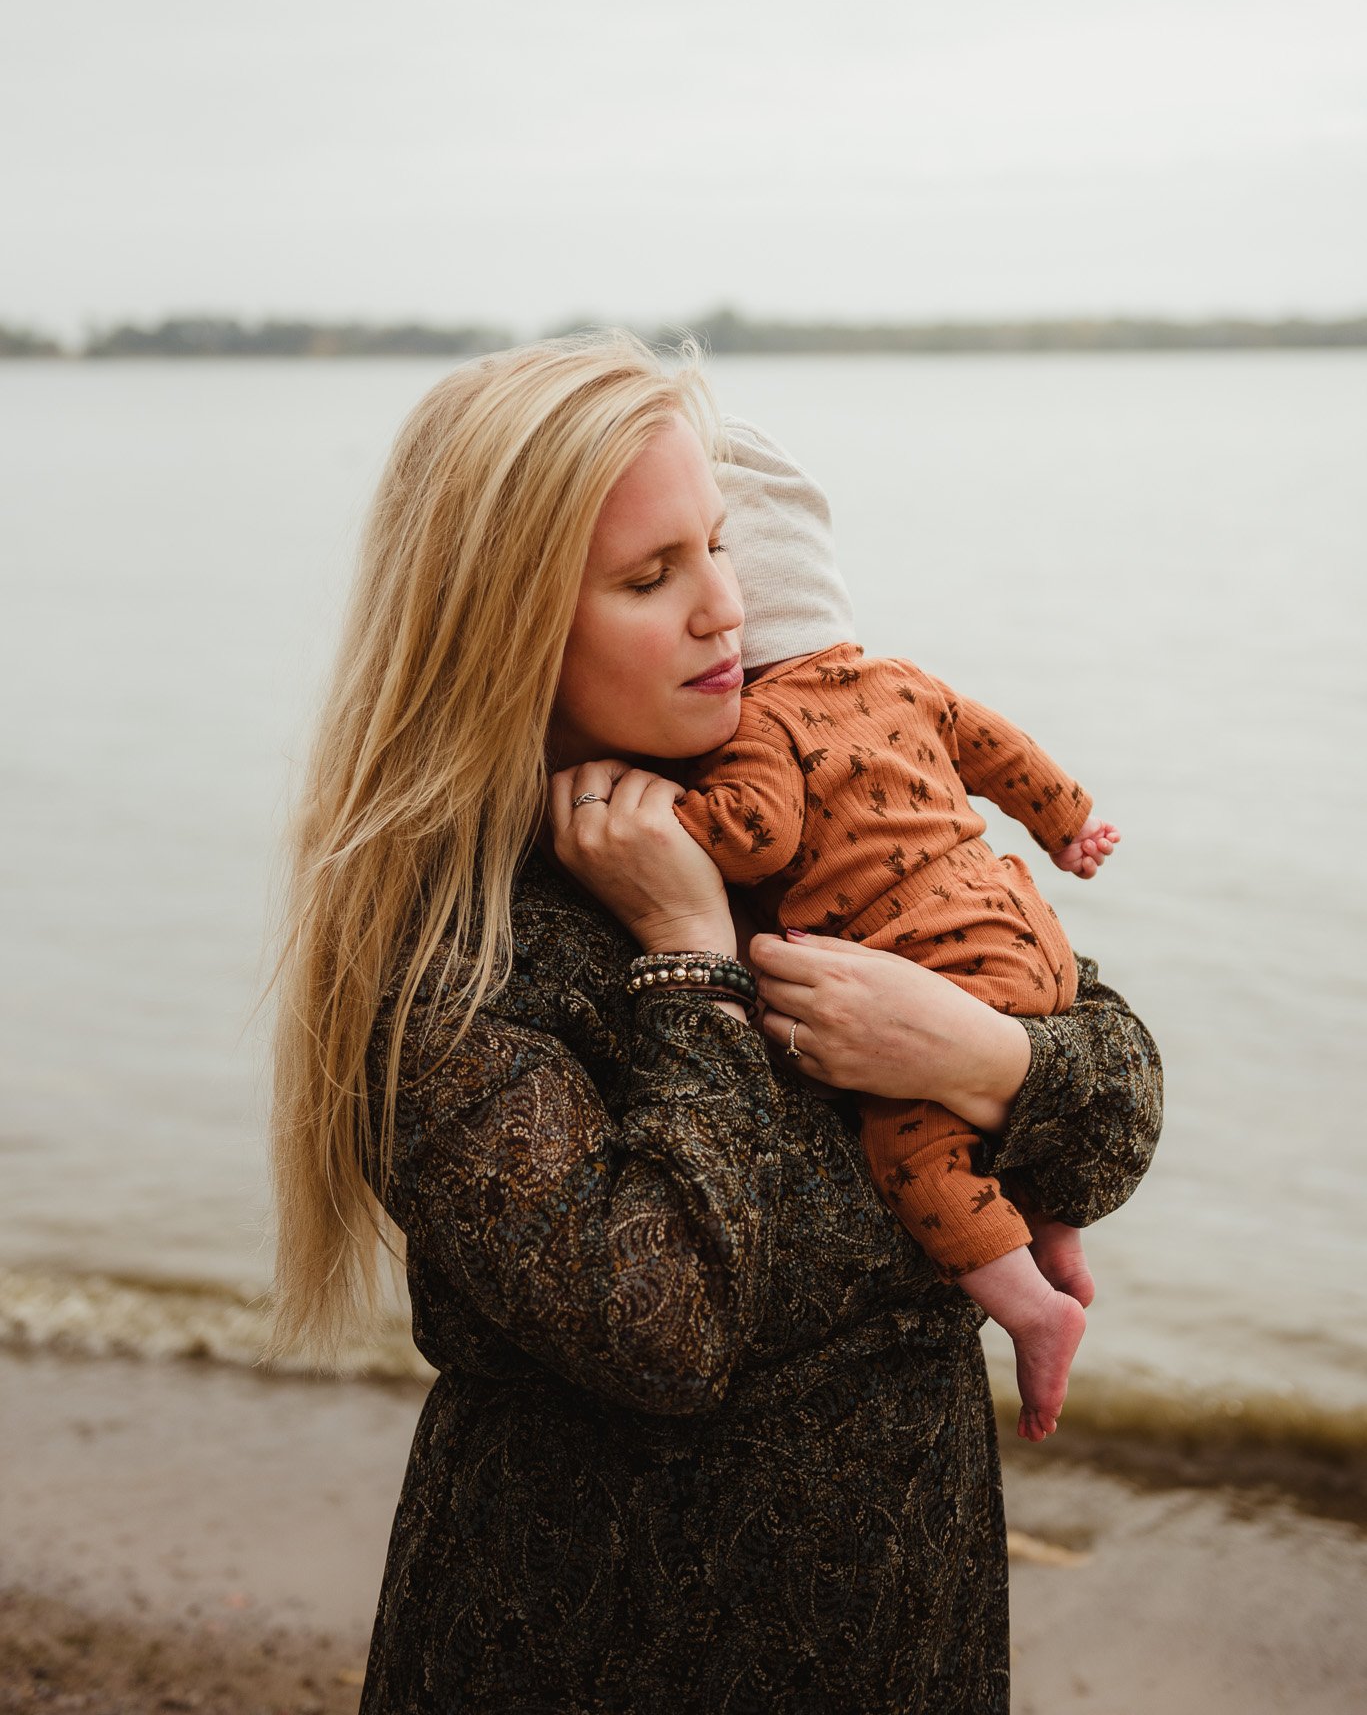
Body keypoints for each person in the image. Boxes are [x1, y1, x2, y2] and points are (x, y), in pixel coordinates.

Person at [268, 331, 1162, 1713]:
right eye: (648, 576)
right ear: (503, 632)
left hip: (905, 1627)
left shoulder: (824, 816)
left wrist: (970, 1056)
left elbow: (1109, 1124)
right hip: (595, 1647)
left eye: (718, 551)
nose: (721, 613)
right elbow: (662, 1327)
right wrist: (687, 958)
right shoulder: (455, 958)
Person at [676, 421, 1126, 1441]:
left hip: (944, 961)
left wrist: (669, 824)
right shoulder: (901, 679)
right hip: (1020, 922)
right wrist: (1068, 820)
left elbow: (756, 837)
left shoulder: (761, 722)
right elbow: (999, 750)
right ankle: (1056, 1235)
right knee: (1011, 1108)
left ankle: (1031, 1306)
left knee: (915, 1145)